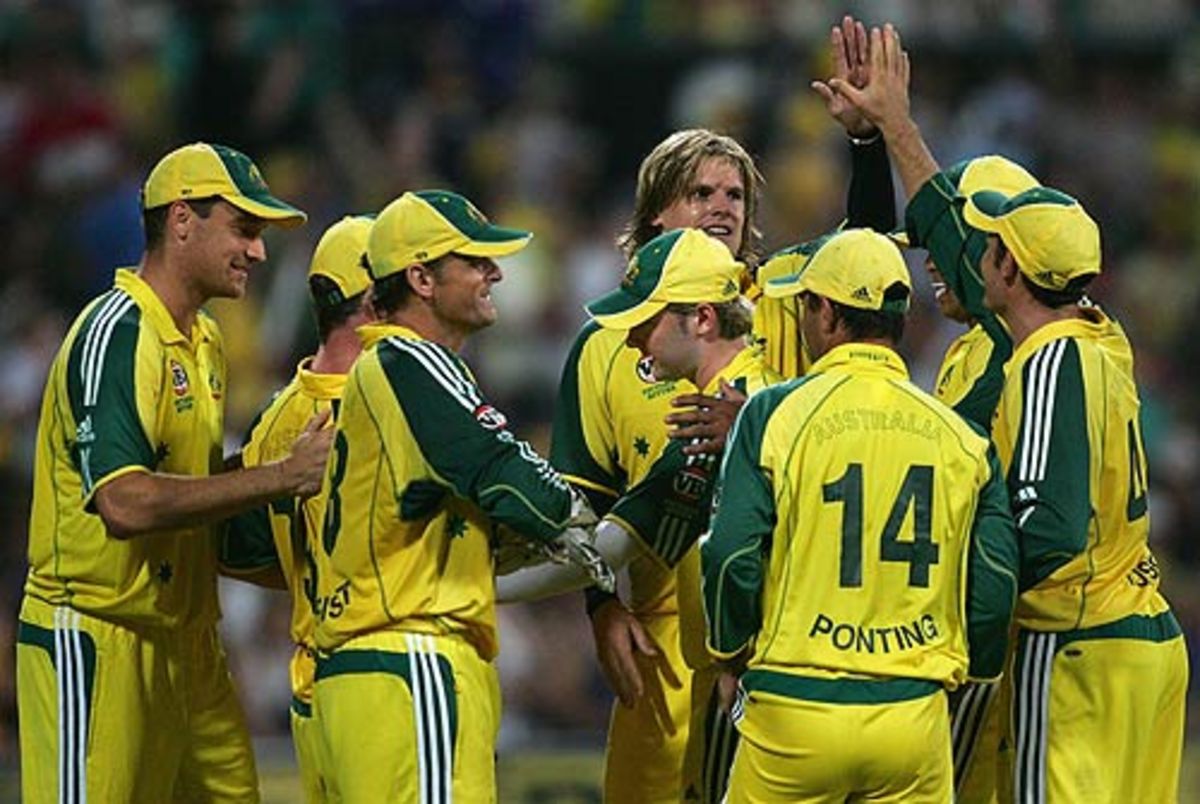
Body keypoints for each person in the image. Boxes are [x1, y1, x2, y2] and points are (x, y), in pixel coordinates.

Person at [549, 17, 896, 802]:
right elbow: (583, 502)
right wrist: (603, 611)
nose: (722, 207)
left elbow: (868, 255)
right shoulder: (604, 344)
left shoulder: (780, 300)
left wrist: (869, 143)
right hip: (667, 634)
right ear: (654, 215)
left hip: (781, 630)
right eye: (699, 192)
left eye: (735, 194)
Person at [838, 24, 1188, 800]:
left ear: (1005, 262)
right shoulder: (1085, 336)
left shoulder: (1033, 350)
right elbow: (864, 269)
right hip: (1127, 629)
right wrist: (872, 145)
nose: (930, 259)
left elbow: (1045, 531)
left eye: (972, 243)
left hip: (1061, 637)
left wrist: (897, 130)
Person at [16, 142, 333, 803]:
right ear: (182, 219)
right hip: (97, 635)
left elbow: (198, 495)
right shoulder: (117, 333)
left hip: (187, 642)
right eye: (244, 229)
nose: (258, 252)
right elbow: (126, 502)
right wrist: (278, 476)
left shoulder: (206, 340)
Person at [309, 190, 612, 804]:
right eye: (473, 261)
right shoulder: (407, 357)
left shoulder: (383, 372)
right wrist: (577, 516)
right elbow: (499, 469)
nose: (494, 273)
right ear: (420, 278)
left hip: (367, 665)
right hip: (410, 656)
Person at [702, 227, 1020, 803]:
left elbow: (732, 556)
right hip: (913, 716)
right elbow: (994, 589)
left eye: (804, 304)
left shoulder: (772, 414)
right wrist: (966, 673)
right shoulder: (963, 438)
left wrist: (727, 654)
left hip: (795, 710)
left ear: (825, 313)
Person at [498, 227, 781, 802]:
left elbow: (604, 552)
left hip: (763, 681)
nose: (631, 342)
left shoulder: (711, 424)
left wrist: (471, 587)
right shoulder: (780, 392)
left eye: (646, 321)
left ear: (702, 319)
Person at [963, 186, 1187, 803]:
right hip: (1142, 633)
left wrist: (970, 606)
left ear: (1009, 268)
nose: (978, 256)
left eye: (989, 245)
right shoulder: (1103, 340)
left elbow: (1048, 527)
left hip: (1075, 643)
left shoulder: (1048, 361)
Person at [219, 214, 376, 803]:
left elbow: (232, 548)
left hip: (312, 690)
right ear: (372, 301)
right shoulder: (388, 400)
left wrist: (314, 578)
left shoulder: (273, 419)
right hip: (385, 678)